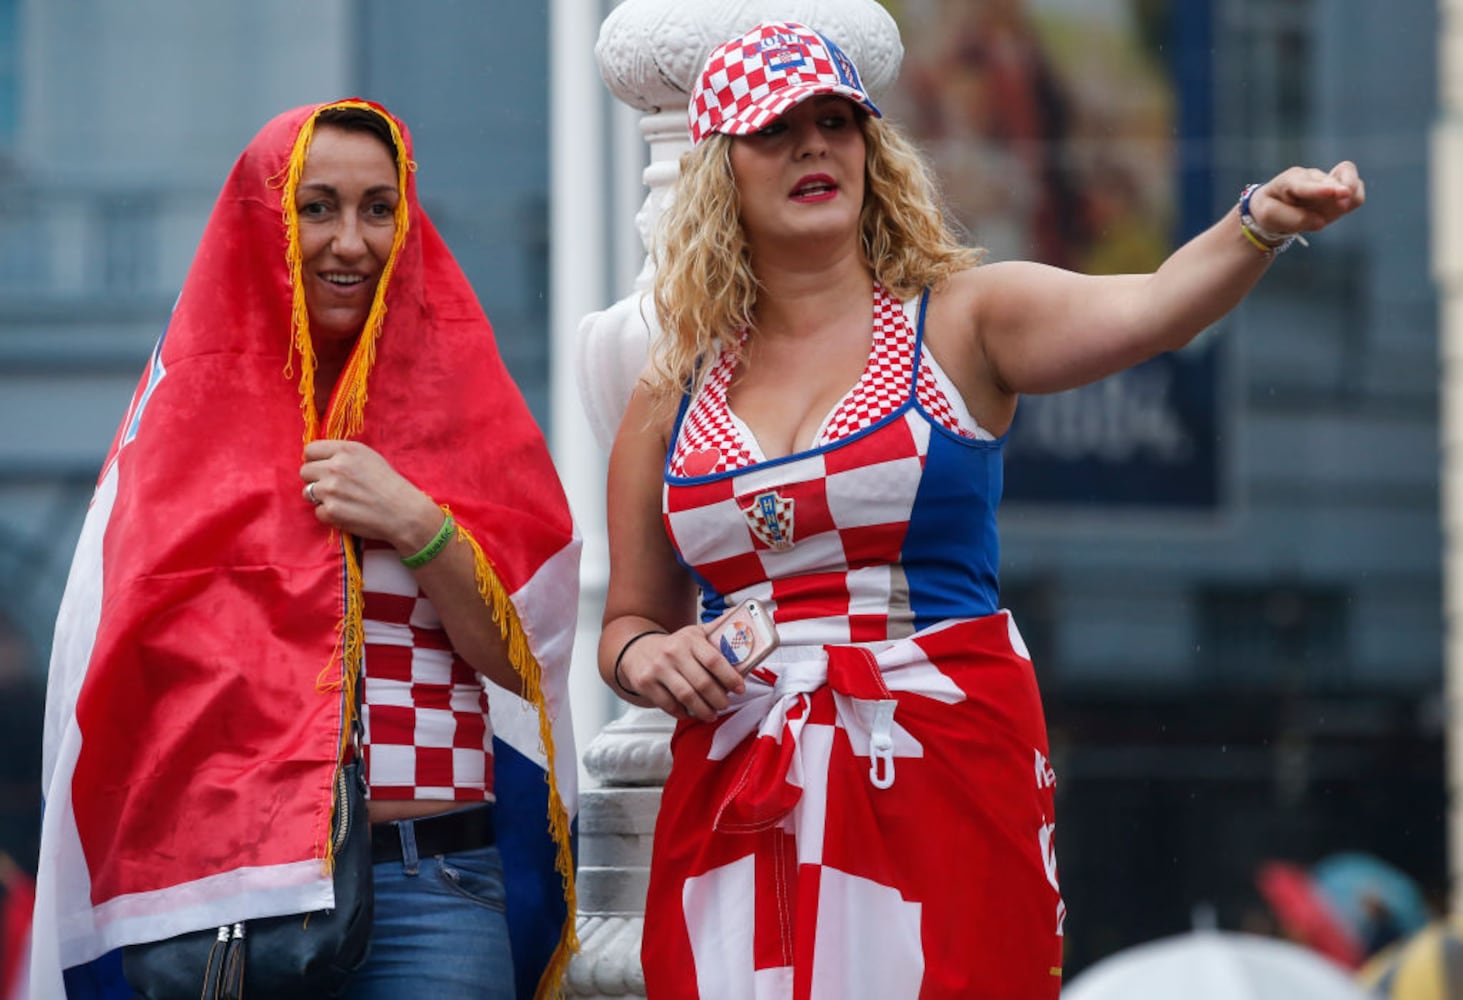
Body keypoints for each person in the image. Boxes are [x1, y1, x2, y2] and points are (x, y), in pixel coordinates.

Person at [597, 21, 1364, 1000]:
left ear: (873, 149)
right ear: (717, 169)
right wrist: (647, 656)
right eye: (775, 128)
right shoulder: (673, 384)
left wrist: (1258, 217)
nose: (813, 146)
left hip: (933, 763)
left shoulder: (960, 319)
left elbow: (1158, 303)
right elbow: (625, 622)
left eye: (836, 121)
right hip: (742, 789)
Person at [30, 100, 581, 1000]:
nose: (350, 241)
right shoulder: (180, 430)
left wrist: (415, 520)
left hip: (433, 884)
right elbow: (130, 686)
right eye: (316, 207)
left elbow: (523, 658)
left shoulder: (468, 411)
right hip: (237, 902)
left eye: (377, 208)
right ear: (265, 222)